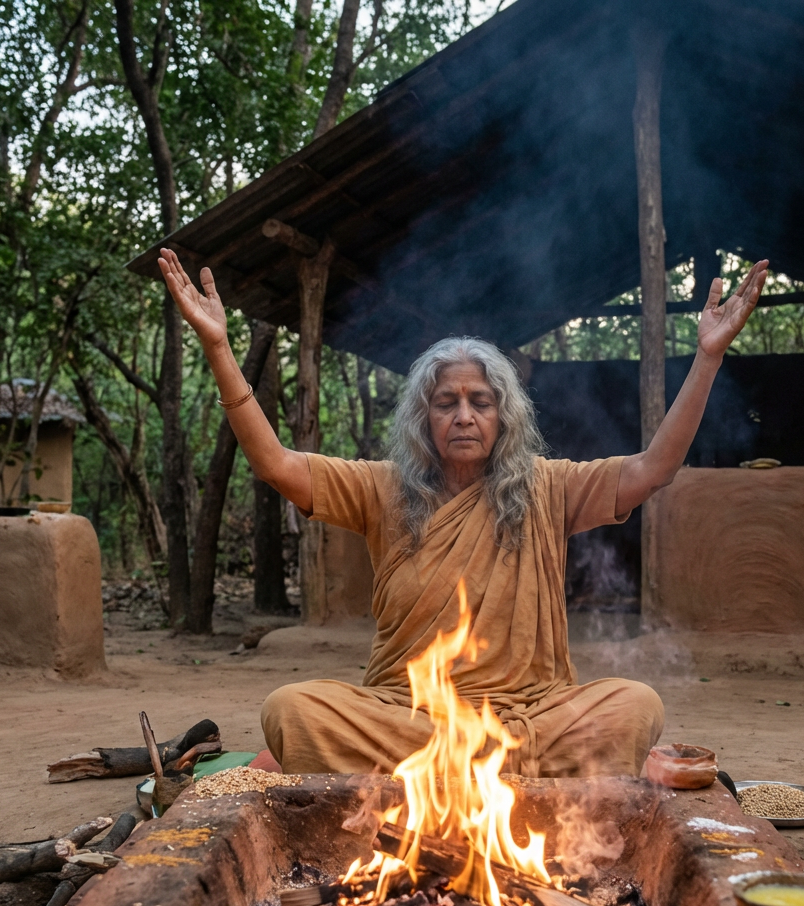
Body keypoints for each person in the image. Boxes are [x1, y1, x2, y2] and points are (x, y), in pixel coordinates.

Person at [158, 248, 768, 778]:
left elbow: (652, 469)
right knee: (291, 709)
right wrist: (218, 347)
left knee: (634, 705)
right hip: (409, 716)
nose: (464, 416)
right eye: (446, 403)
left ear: (504, 416)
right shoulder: (382, 488)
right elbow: (276, 465)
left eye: (481, 401)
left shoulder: (547, 487)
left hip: (530, 716)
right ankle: (495, 773)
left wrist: (707, 358)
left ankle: (446, 774)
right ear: (424, 419)